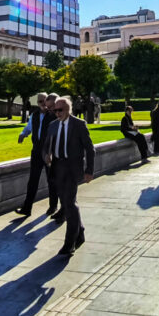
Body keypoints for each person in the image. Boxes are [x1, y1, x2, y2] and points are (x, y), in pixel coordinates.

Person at [43, 97, 95, 256]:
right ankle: (80, 232)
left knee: (70, 204)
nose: (57, 113)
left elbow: (90, 149)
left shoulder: (79, 125)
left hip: (73, 169)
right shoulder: (52, 126)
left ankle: (69, 243)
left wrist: (89, 170)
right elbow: (45, 148)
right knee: (67, 202)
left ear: (68, 109)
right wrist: (46, 156)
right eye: (55, 110)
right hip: (57, 168)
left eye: (60, 110)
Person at [16, 93, 59, 216]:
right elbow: (29, 128)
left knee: (51, 179)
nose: (43, 103)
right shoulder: (34, 115)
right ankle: (27, 208)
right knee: (33, 180)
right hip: (36, 150)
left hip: (49, 150)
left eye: (45, 101)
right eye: (40, 101)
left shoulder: (53, 115)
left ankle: (53, 206)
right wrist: (23, 134)